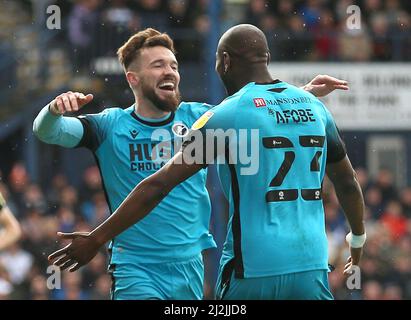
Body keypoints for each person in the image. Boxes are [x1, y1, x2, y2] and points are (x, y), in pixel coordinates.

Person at [42, 28, 349, 300]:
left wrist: (303, 94)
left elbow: (254, 113)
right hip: (136, 265)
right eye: (158, 65)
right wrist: (54, 110)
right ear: (132, 78)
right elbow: (49, 131)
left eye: (173, 65)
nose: (170, 72)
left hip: (190, 264)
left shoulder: (200, 117)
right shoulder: (109, 125)